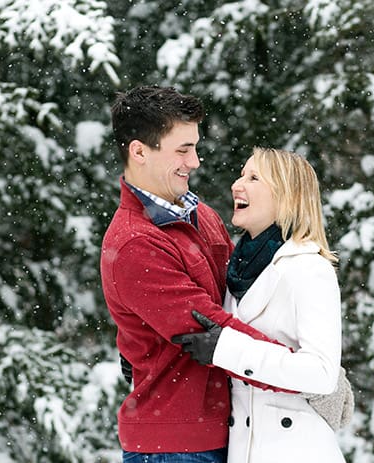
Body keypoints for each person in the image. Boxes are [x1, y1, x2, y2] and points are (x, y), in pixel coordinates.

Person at [101, 86, 288, 463]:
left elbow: (244, 295)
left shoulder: (201, 215)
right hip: (174, 446)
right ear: (139, 152)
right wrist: (297, 373)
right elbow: (210, 327)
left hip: (228, 431)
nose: (196, 161)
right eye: (183, 150)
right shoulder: (135, 243)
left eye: (195, 147)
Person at [172, 147, 352, 463]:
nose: (237, 185)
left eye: (253, 177)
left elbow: (322, 374)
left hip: (297, 450)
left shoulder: (309, 268)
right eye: (242, 174)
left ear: (287, 196)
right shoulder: (235, 269)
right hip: (243, 448)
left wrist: (228, 349)